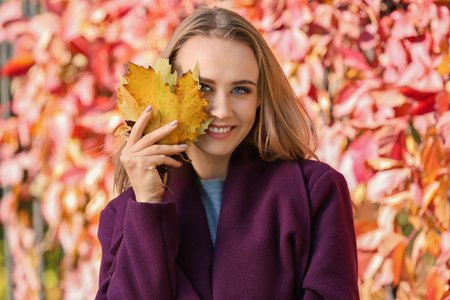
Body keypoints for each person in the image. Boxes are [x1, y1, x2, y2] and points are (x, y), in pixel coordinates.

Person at [96, 6, 359, 300]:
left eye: (240, 90)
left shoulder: (317, 192)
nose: (221, 110)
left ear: (261, 97)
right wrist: (146, 207)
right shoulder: (123, 214)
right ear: (169, 90)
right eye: (204, 87)